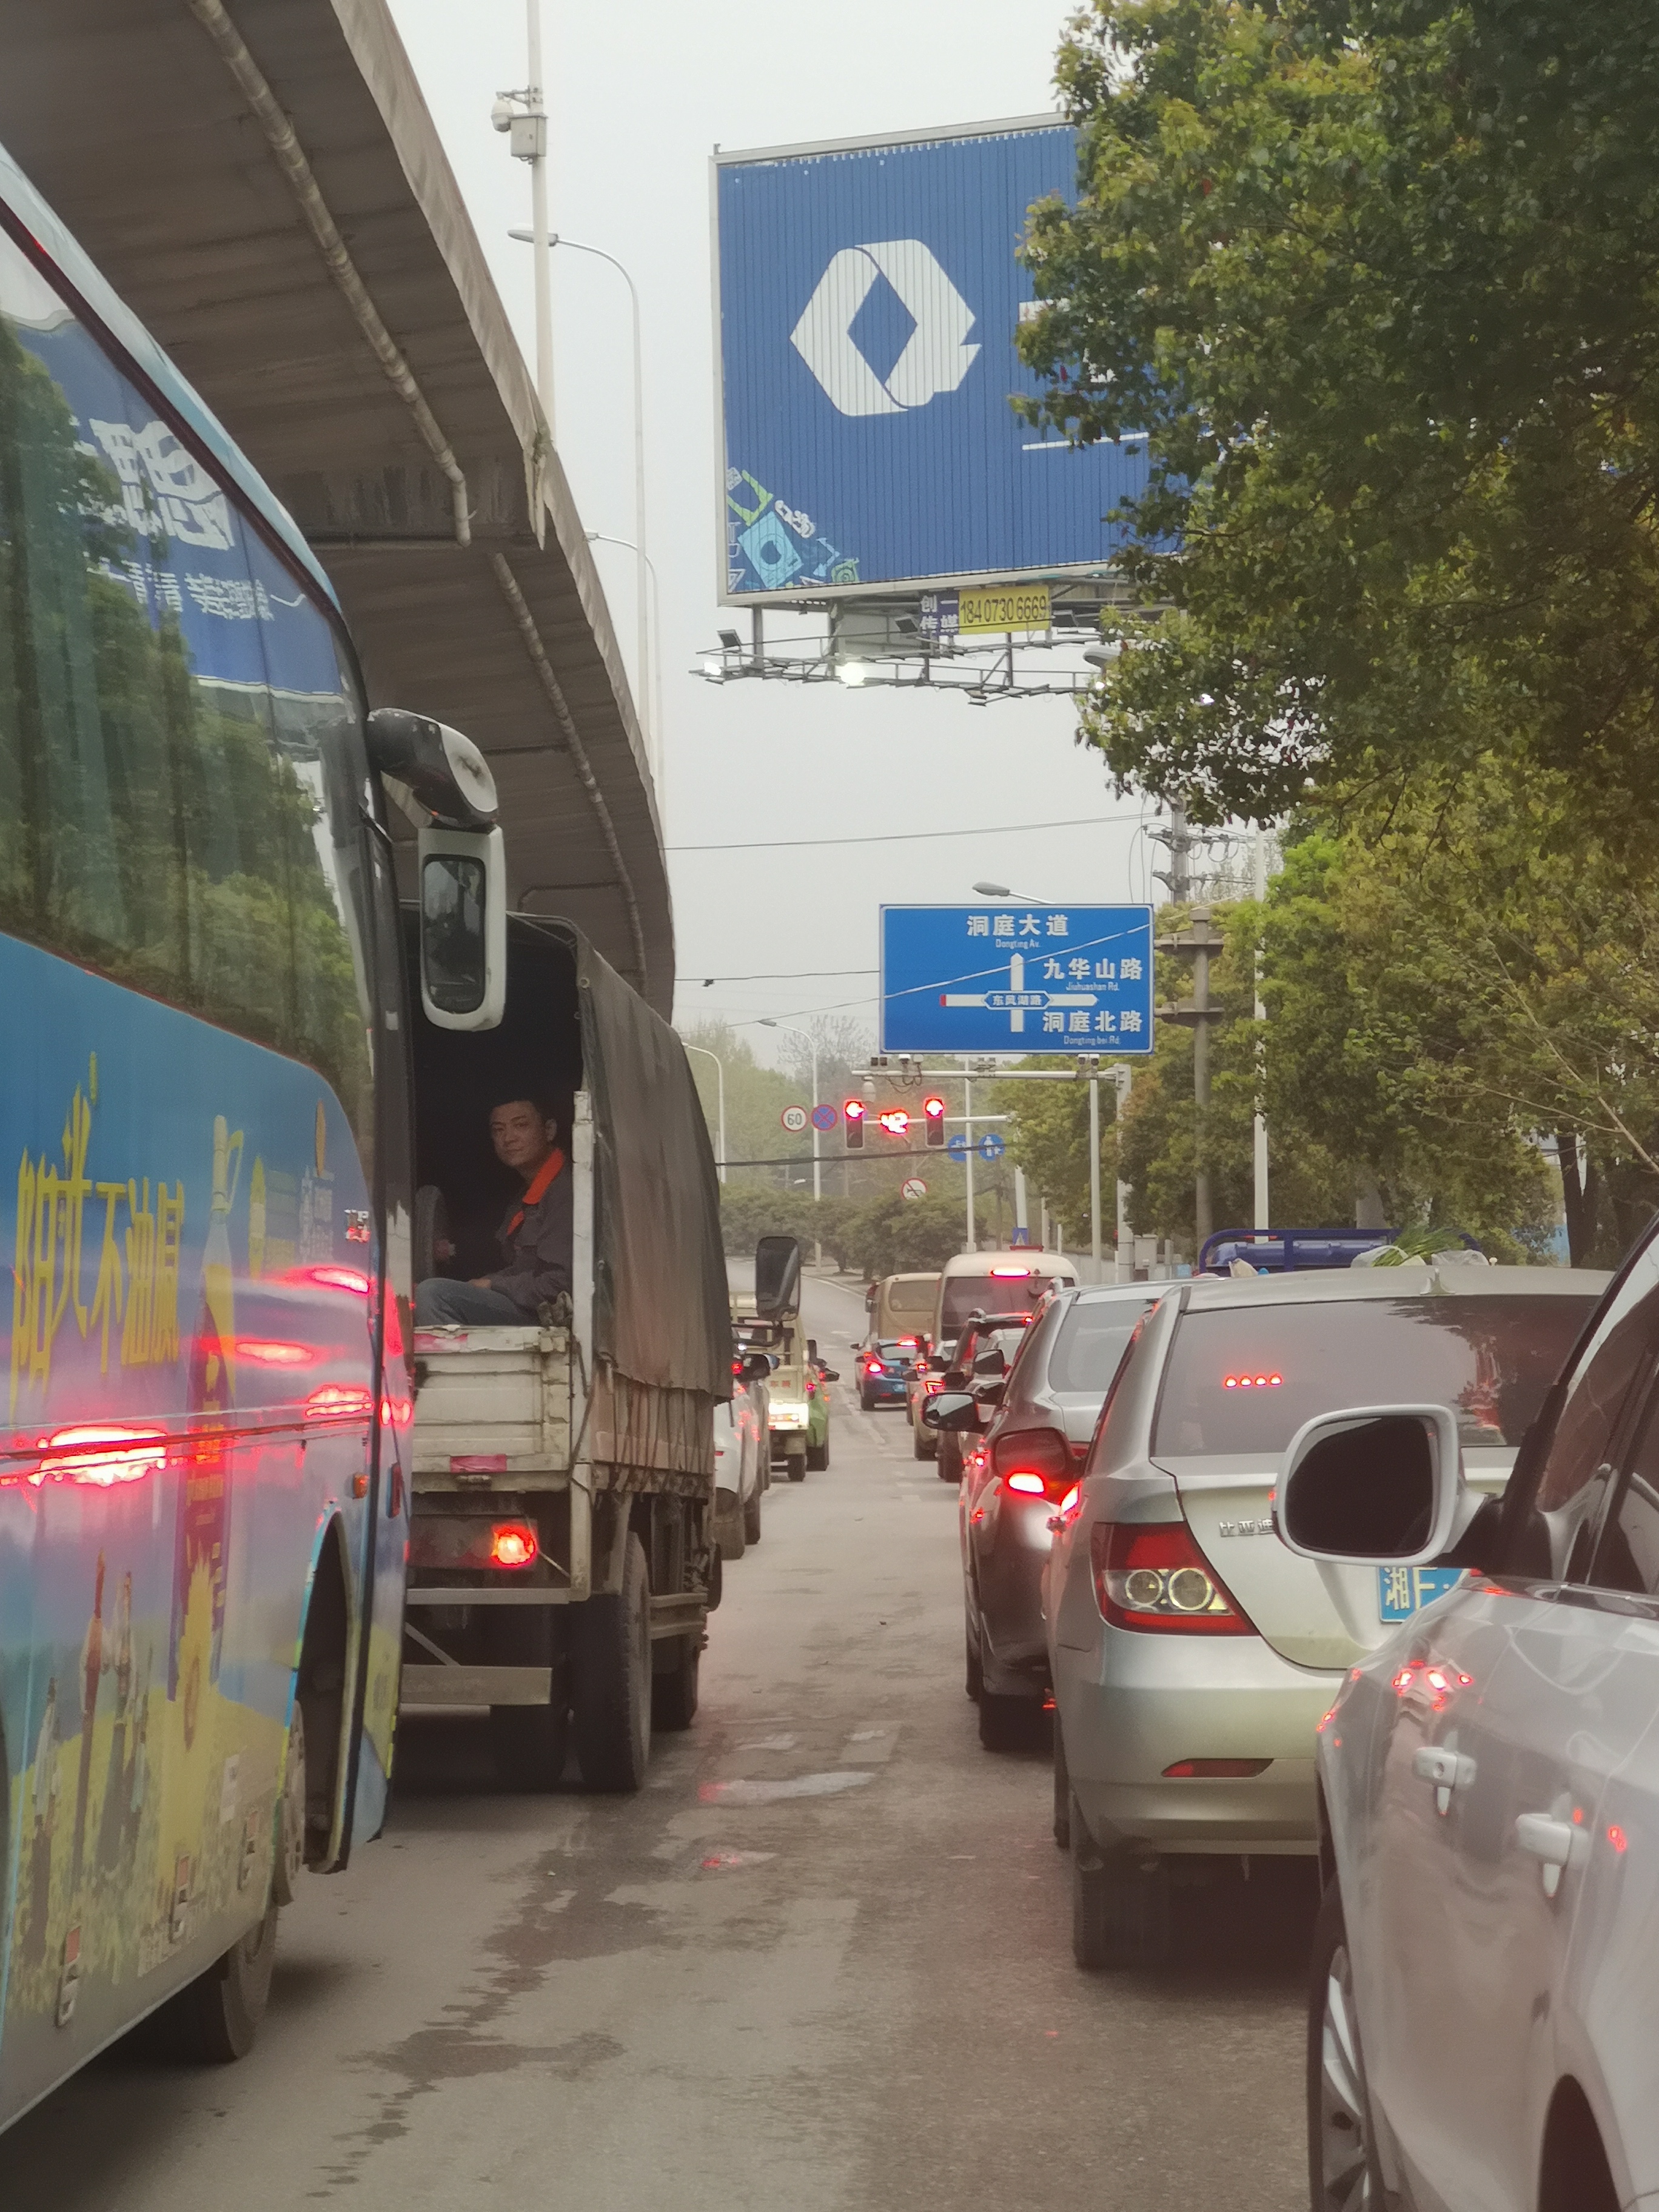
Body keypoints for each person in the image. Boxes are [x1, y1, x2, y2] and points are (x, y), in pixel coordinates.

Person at [415, 1095, 572, 1326]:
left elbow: (561, 1284)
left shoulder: (565, 1191)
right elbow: (520, 1268)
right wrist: (483, 1283)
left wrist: (494, 1284)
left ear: (549, 1131)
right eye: (499, 1130)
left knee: (434, 1296)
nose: (508, 1138)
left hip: (547, 1313)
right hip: (527, 1302)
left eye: (521, 1126)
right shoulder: (526, 1195)